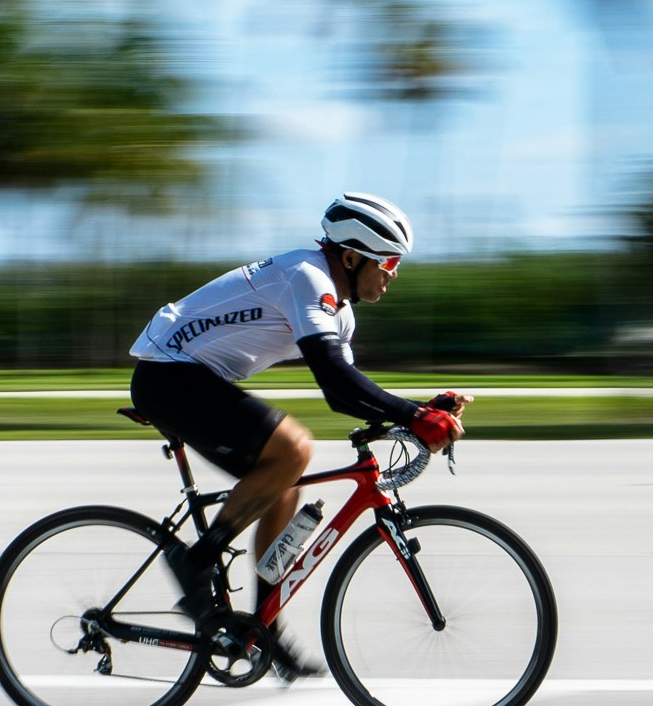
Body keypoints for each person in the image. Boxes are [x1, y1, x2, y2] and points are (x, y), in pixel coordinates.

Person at [127, 192, 468, 674]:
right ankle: (195, 561)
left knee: (285, 481)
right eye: (389, 261)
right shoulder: (306, 278)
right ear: (350, 257)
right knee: (293, 448)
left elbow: (346, 394)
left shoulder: (339, 310)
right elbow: (333, 376)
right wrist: (413, 416)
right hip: (168, 375)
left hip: (192, 379)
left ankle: (263, 629)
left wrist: (419, 409)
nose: (394, 273)